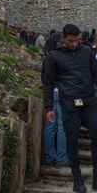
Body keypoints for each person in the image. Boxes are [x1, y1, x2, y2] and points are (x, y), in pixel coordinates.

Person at [43, 23, 97, 193]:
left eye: (77, 40)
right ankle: (78, 180)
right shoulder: (54, 56)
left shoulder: (86, 51)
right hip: (69, 102)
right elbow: (48, 83)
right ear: (64, 38)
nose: (74, 43)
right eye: (71, 41)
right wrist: (48, 107)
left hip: (89, 99)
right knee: (71, 138)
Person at [42, 32, 68, 167]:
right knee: (62, 126)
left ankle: (49, 157)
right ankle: (62, 158)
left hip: (50, 94)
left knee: (50, 126)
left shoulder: (47, 59)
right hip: (62, 93)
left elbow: (43, 79)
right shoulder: (61, 58)